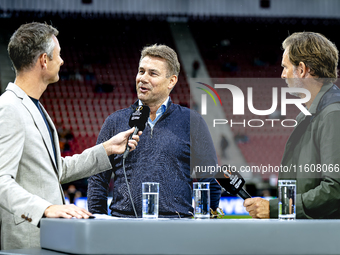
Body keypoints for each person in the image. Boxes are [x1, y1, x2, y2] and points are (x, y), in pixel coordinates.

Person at [0, 22, 141, 250]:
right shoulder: (9, 108)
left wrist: (106, 149)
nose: (63, 61)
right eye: (59, 55)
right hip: (26, 239)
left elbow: (57, 170)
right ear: (44, 61)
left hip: (46, 236)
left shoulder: (34, 107)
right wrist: (45, 208)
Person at [88, 44, 221, 218]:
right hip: (123, 227)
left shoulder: (192, 121)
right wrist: (98, 222)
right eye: (141, 71)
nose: (143, 78)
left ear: (171, 81)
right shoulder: (114, 121)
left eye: (153, 73)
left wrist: (205, 222)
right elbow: (97, 179)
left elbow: (209, 182)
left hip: (176, 228)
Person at [244, 32, 340, 219]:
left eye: (285, 67)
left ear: (302, 69)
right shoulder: (311, 114)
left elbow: (335, 190)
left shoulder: (332, 114)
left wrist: (277, 208)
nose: (282, 75)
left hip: (322, 241)